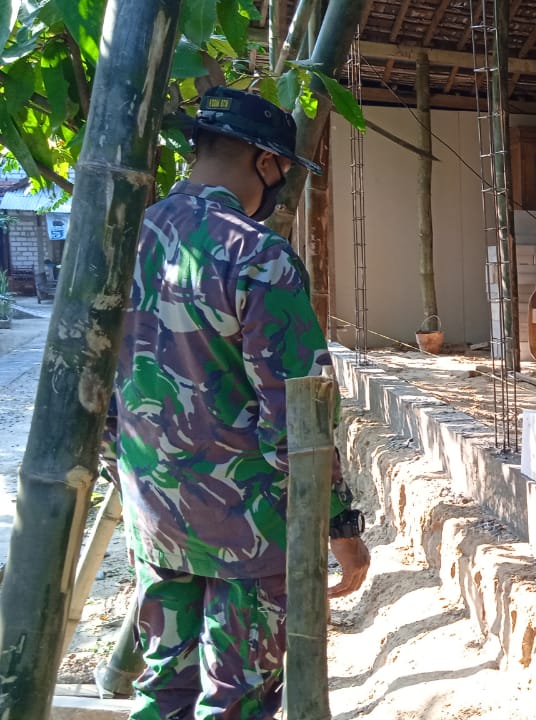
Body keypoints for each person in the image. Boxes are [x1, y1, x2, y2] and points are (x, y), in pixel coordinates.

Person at [110, 86, 370, 719]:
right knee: (237, 701)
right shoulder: (257, 256)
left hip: (154, 515)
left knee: (164, 688)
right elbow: (298, 420)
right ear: (264, 161)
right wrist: (341, 526)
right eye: (282, 169)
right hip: (248, 532)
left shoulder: (120, 240)